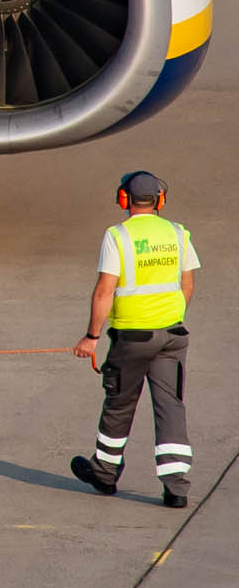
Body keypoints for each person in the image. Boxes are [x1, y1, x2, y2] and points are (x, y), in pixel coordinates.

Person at [70, 171, 198, 507]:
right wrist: (169, 317)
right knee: (170, 406)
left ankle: (105, 473)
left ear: (123, 199)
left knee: (119, 402)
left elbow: (104, 291)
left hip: (132, 337)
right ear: (160, 199)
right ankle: (177, 488)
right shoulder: (177, 233)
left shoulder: (118, 236)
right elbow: (187, 285)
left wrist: (91, 337)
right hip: (173, 334)